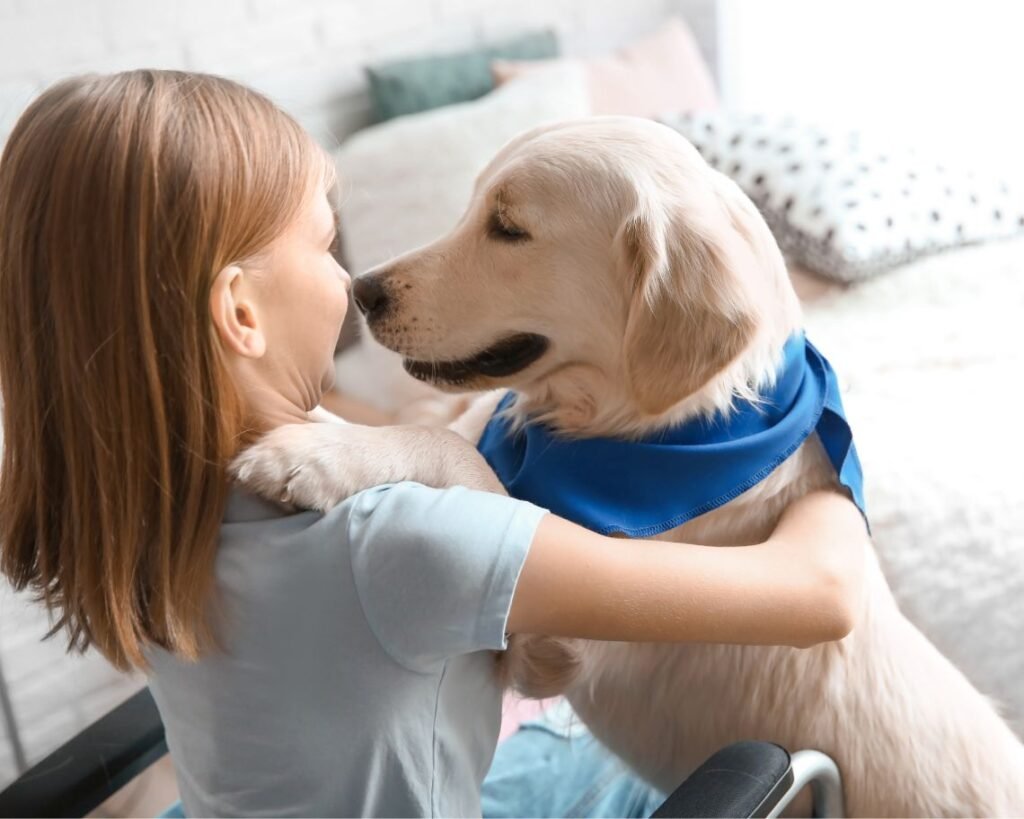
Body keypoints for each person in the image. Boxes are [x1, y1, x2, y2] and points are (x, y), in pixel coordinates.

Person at [0, 71, 868, 817]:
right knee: (615, 769)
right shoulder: (408, 543)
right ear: (239, 312)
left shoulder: (149, 498)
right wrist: (824, 444)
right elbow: (820, 596)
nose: (354, 277)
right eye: (325, 243)